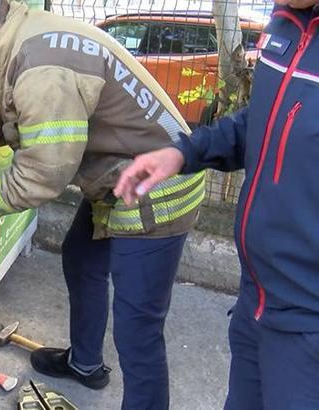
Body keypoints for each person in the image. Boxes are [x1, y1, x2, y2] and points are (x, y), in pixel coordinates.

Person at [0, 1, 206, 408]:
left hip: (158, 187)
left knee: (138, 329)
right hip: (122, 177)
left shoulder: (40, 69)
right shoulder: (23, 36)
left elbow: (44, 172)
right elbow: (12, 123)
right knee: (82, 259)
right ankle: (85, 364)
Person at [114, 1, 319, 408]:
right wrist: (184, 152)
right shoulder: (286, 19)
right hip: (255, 302)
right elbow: (262, 119)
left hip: (307, 328)